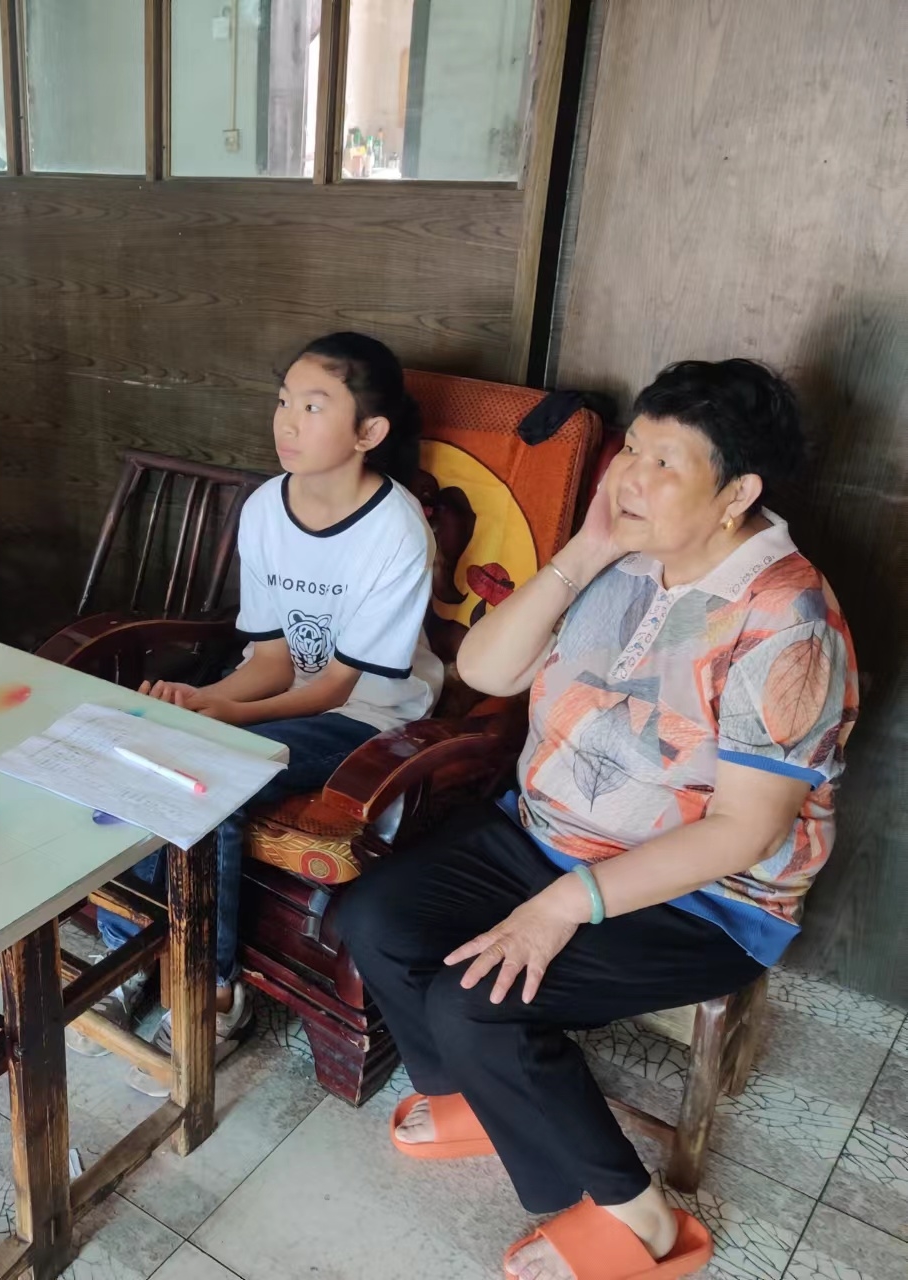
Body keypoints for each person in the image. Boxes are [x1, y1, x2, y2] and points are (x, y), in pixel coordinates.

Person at [335, 359, 859, 1280]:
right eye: (633, 450)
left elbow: (743, 833)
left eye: (664, 463)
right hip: (541, 832)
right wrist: (583, 553)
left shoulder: (788, 621)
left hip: (705, 897)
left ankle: (642, 1220)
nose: (630, 478)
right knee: (372, 917)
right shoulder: (625, 553)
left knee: (475, 1002)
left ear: (737, 494)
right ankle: (475, 1101)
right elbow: (488, 672)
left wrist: (558, 908)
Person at [86, 331, 441, 1097]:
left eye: (314, 407)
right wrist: (204, 703)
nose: (287, 421)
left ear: (369, 432)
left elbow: (336, 688)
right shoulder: (265, 509)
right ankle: (132, 955)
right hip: (290, 692)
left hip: (369, 718)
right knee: (140, 746)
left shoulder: (397, 531)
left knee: (210, 778)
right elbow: (275, 661)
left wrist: (220, 714)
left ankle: (215, 996)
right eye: (284, 401)